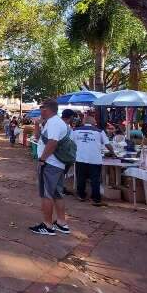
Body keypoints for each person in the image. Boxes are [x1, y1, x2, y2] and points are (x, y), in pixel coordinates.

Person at [30, 99, 70, 236]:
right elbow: (38, 138)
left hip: (50, 164)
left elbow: (52, 143)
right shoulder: (54, 123)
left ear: (46, 109)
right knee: (58, 194)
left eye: (41, 108)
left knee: (46, 194)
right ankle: (61, 223)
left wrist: (42, 159)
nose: (40, 110)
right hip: (57, 164)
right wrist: (37, 124)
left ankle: (47, 225)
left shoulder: (54, 123)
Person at [72, 116, 114, 206]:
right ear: (93, 122)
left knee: (81, 178)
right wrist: (113, 152)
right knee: (95, 179)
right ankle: (96, 198)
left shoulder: (75, 130)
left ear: (83, 122)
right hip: (95, 159)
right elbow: (107, 144)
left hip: (80, 158)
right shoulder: (99, 131)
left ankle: (81, 195)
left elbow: (70, 143)